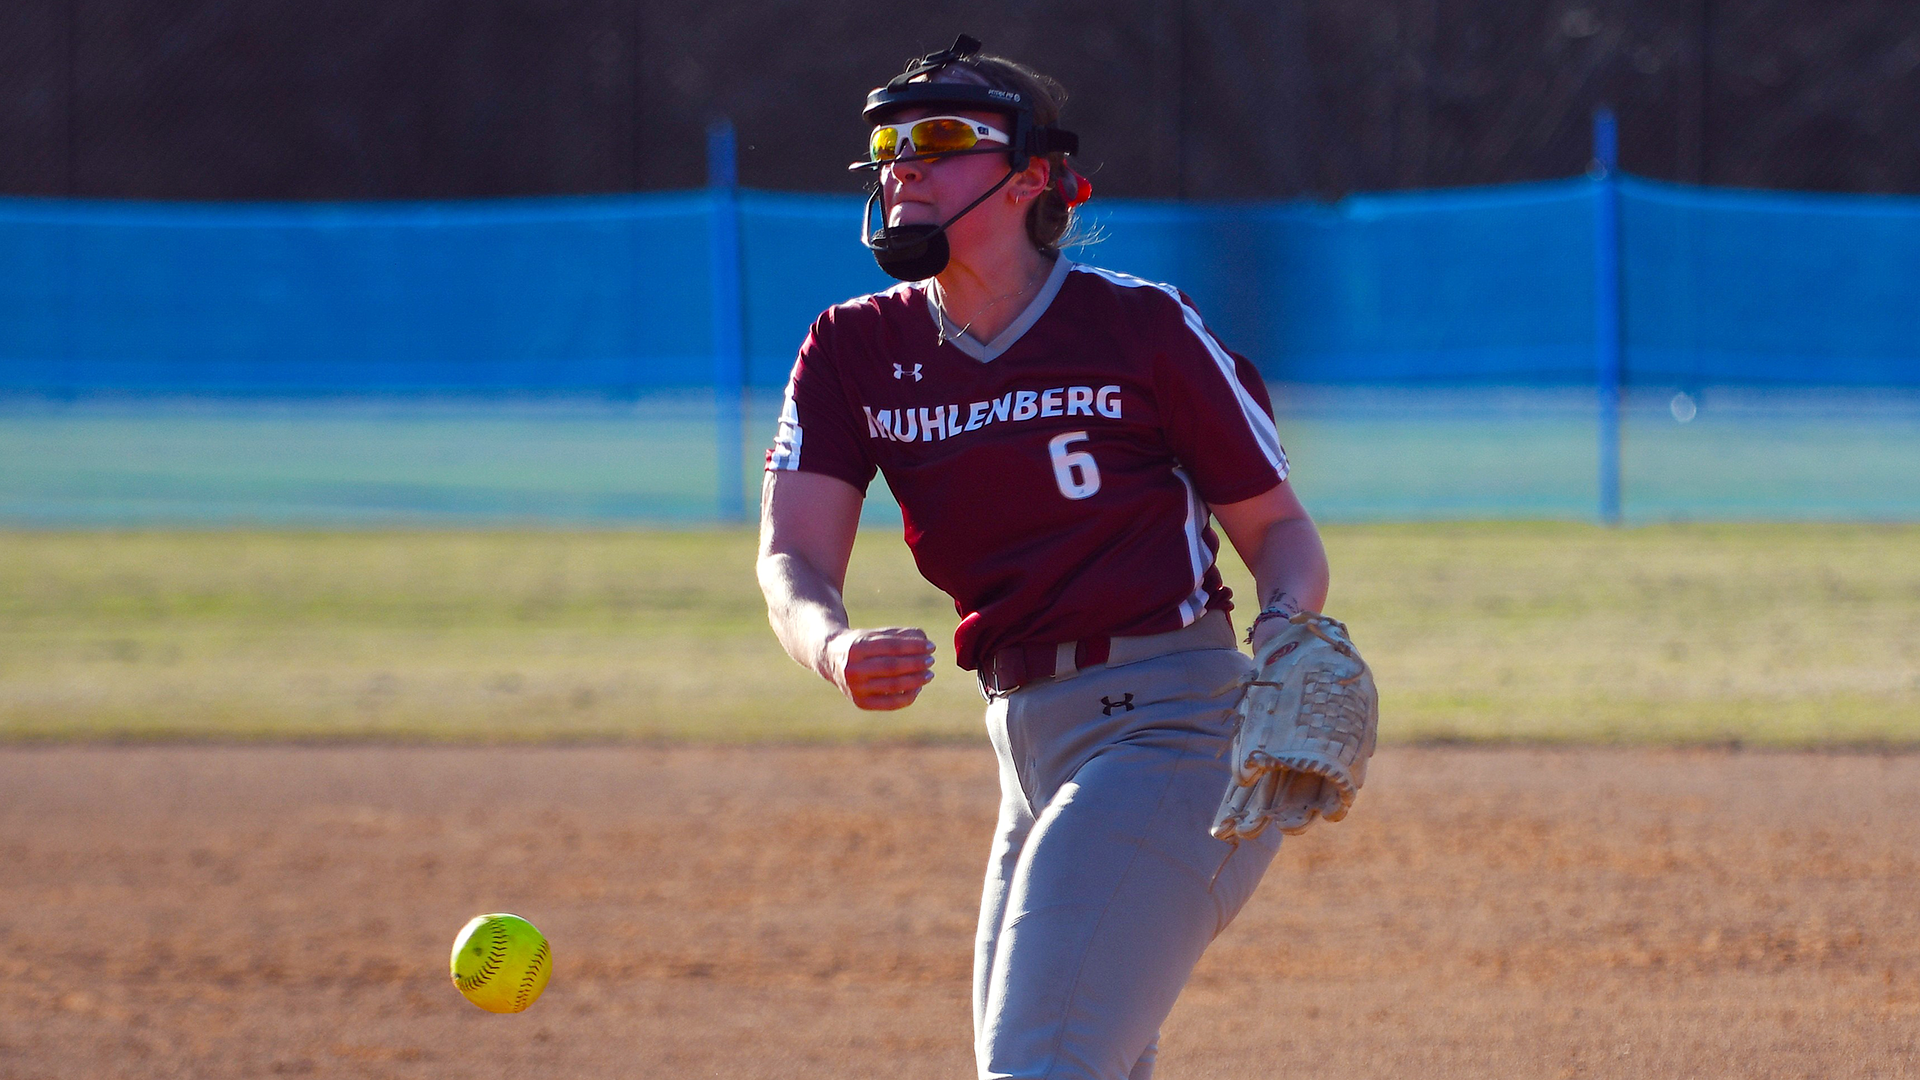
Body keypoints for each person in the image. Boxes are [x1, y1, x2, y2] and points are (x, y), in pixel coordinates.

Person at [756, 36, 1331, 1080]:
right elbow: (792, 556)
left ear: (1031, 176)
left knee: (1041, 1066)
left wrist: (1290, 625)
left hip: (1174, 729)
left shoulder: (1138, 327)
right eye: (889, 145)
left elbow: (1279, 532)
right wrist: (832, 647)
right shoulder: (852, 350)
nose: (903, 166)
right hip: (1028, 750)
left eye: (938, 140)